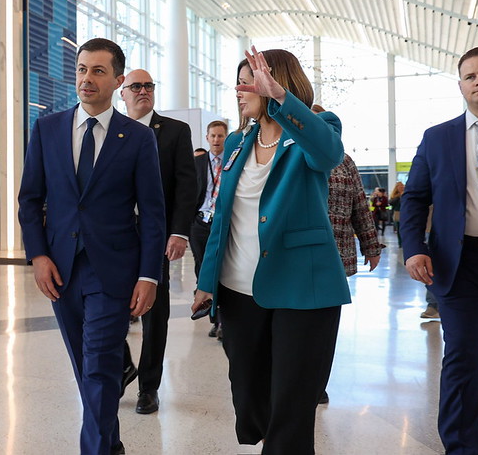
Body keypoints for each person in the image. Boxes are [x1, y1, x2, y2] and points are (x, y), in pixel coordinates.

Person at [192, 47, 349, 454]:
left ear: (275, 82)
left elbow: (328, 153)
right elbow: (223, 218)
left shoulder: (313, 128)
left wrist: (281, 100)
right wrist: (206, 281)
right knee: (248, 397)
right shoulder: (237, 143)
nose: (240, 90)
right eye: (238, 82)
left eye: (249, 81)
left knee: (291, 406)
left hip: (303, 289)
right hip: (239, 290)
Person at [18, 38, 166, 455]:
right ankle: (111, 445)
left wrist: (148, 274)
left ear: (118, 81)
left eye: (98, 71)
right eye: (82, 69)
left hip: (113, 270)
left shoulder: (137, 138)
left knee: (100, 367)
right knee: (86, 367)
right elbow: (29, 199)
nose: (87, 78)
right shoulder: (47, 129)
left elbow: (152, 213)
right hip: (61, 270)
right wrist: (38, 255)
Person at [401, 46, 478, 455]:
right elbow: (415, 198)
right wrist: (414, 248)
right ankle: (461, 446)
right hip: (459, 263)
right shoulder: (438, 138)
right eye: (470, 77)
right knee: (463, 357)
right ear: (460, 85)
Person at [118, 69, 196, 415]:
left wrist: (178, 232)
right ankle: (122, 366)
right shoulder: (110, 129)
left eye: (149, 85)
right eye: (136, 86)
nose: (143, 91)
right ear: (123, 93)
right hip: (115, 237)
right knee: (104, 306)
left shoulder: (175, 131)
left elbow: (186, 186)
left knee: (155, 313)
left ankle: (149, 387)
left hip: (155, 237)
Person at [311, 104, 382, 404]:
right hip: (299, 255)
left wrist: (371, 245)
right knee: (298, 325)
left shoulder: (345, 162)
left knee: (326, 327)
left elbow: (359, 205)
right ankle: (296, 380)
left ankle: (317, 384)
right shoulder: (293, 155)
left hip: (336, 256)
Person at [189, 120, 228, 338]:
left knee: (221, 270)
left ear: (225, 137)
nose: (216, 140)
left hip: (221, 223)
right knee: (201, 269)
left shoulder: (233, 160)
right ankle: (214, 319)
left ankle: (223, 321)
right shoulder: (197, 162)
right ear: (207, 138)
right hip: (200, 223)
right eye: (212, 136)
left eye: (220, 136)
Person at [389, 182, 404, 247]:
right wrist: (399, 196)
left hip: (405, 212)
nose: (401, 187)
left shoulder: (406, 193)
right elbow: (391, 202)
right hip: (397, 213)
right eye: (400, 186)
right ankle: (400, 243)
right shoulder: (395, 196)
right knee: (399, 229)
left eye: (402, 186)